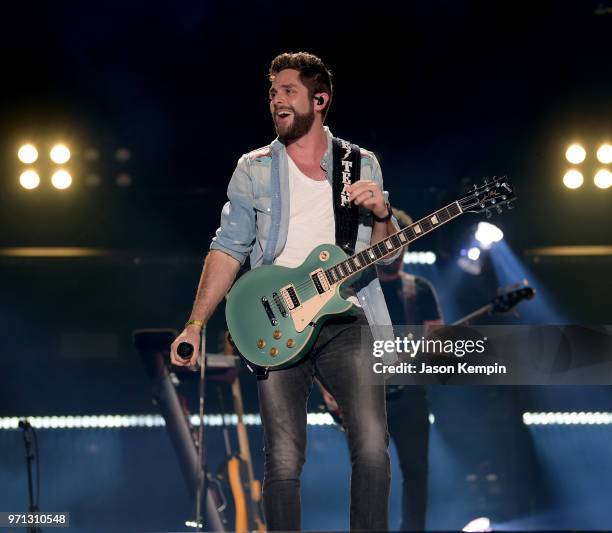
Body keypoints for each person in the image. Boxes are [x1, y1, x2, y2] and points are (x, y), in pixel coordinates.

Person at [170, 52, 402, 532]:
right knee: (282, 460)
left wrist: (382, 216)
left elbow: (384, 258)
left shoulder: (362, 163)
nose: (277, 99)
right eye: (273, 92)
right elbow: (227, 249)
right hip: (277, 319)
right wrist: (195, 323)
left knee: (374, 448)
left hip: (347, 318)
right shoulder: (253, 168)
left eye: (288, 91)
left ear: (320, 100)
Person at [319, 208, 443, 531]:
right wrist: (328, 388)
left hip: (410, 396)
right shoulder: (353, 288)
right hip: (365, 397)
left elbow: (436, 345)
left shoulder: (420, 289)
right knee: (369, 471)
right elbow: (328, 343)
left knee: (416, 473)